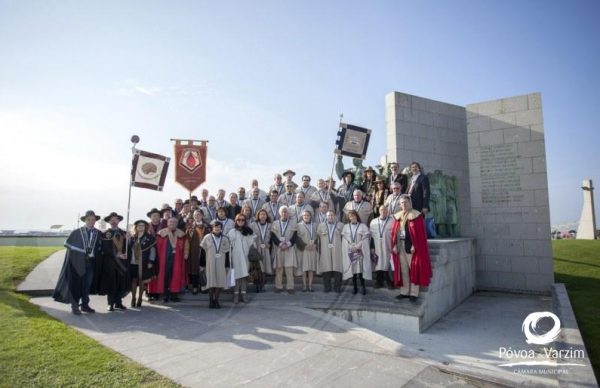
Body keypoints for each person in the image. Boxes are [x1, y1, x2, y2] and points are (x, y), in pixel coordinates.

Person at [54, 210, 103, 315]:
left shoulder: (98, 233)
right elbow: (69, 246)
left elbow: (105, 245)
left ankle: (85, 305)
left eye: (93, 220)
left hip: (91, 263)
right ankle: (75, 306)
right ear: (85, 220)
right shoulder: (77, 232)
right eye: (89, 219)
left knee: (87, 285)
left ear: (95, 221)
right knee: (76, 285)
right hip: (78, 263)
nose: (91, 221)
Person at [391, 194, 433, 302]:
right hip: (401, 246)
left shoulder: (416, 215)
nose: (403, 205)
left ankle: (414, 293)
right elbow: (395, 233)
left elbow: (419, 234)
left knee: (414, 270)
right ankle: (404, 292)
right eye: (401, 203)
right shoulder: (398, 216)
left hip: (411, 248)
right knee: (403, 270)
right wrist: (395, 244)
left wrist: (415, 245)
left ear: (410, 203)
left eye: (405, 202)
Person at [148, 217, 189, 303]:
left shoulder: (181, 233)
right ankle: (165, 295)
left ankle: (174, 295)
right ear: (167, 223)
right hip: (164, 259)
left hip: (177, 258)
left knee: (176, 275)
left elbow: (186, 245)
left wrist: (186, 253)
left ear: (177, 224)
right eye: (170, 222)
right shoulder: (161, 233)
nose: (172, 223)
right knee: (165, 276)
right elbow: (157, 247)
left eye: (174, 222)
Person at [97, 212, 128, 312]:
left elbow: (128, 247)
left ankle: (118, 302)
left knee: (120, 282)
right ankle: (110, 304)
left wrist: (130, 240)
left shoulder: (124, 233)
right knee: (111, 283)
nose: (114, 221)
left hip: (122, 263)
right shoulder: (106, 234)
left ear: (119, 221)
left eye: (116, 219)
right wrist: (117, 255)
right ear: (109, 222)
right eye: (112, 220)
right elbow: (105, 248)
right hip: (110, 262)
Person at [200, 220, 231, 309]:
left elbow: (228, 253)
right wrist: (202, 264)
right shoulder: (207, 237)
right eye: (215, 227)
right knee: (211, 283)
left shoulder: (225, 238)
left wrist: (227, 265)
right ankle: (211, 301)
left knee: (219, 282)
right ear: (212, 228)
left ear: (221, 229)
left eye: (219, 227)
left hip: (221, 263)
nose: (217, 228)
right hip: (210, 263)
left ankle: (216, 300)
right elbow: (202, 251)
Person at [127, 220, 157, 307]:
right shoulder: (132, 237)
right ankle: (133, 298)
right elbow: (128, 249)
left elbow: (153, 251)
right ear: (136, 227)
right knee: (133, 280)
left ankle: (140, 298)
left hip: (144, 263)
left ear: (145, 227)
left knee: (142, 281)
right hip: (133, 262)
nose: (141, 227)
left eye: (143, 225)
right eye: (139, 225)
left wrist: (151, 261)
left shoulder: (149, 238)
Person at [228, 214, 256, 304]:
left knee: (244, 276)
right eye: (239, 220)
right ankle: (236, 295)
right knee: (236, 276)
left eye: (242, 220)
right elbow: (229, 246)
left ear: (245, 221)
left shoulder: (249, 231)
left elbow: (252, 244)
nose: (240, 221)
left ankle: (244, 294)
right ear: (236, 221)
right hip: (235, 256)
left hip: (245, 256)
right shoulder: (232, 232)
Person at [341, 210, 372, 295]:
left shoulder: (362, 226)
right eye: (350, 216)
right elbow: (345, 239)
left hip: (360, 250)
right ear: (349, 218)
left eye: (353, 216)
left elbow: (366, 237)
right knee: (353, 270)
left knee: (361, 270)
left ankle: (363, 287)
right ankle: (355, 287)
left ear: (357, 216)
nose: (352, 217)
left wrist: (359, 245)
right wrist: (351, 247)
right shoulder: (346, 227)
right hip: (351, 251)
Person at [270, 206, 298, 294]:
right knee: (279, 268)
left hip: (289, 248)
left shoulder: (293, 224)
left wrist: (288, 244)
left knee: (289, 268)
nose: (284, 213)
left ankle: (290, 287)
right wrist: (280, 244)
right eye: (282, 212)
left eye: (286, 212)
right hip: (279, 248)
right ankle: (278, 286)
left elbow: (295, 236)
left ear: (288, 213)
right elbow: (273, 236)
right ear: (279, 213)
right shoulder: (275, 223)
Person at [317, 210, 344, 293]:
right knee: (326, 268)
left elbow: (344, 238)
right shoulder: (321, 226)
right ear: (326, 216)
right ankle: (327, 287)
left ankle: (337, 287)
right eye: (328, 215)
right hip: (325, 249)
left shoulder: (341, 225)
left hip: (337, 249)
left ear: (335, 216)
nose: (330, 217)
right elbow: (318, 239)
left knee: (337, 268)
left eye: (332, 215)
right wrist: (319, 250)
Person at [369, 206, 394, 289]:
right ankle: (378, 282)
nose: (383, 212)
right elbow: (371, 236)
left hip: (388, 246)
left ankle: (389, 281)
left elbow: (395, 235)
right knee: (378, 264)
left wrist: (395, 246)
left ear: (388, 212)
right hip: (377, 247)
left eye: (385, 210)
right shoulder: (373, 222)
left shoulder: (392, 221)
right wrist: (372, 247)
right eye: (381, 210)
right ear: (379, 211)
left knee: (387, 263)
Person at [186, 210, 207, 295]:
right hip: (194, 250)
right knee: (194, 268)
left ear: (202, 215)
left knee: (204, 268)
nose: (197, 216)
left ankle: (204, 286)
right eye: (195, 215)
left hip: (205, 250)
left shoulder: (207, 226)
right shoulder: (190, 227)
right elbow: (187, 239)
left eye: (198, 214)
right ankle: (195, 286)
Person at [296, 210, 318, 292]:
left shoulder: (315, 225)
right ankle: (304, 286)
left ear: (310, 216)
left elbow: (318, 236)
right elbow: (297, 238)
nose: (306, 217)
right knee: (304, 268)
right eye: (304, 215)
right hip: (304, 249)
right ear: (302, 216)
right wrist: (304, 246)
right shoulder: (298, 225)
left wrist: (315, 244)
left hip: (312, 249)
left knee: (311, 268)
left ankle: (310, 285)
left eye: (307, 215)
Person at [250, 209, 273, 276]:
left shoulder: (270, 225)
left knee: (266, 262)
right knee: (258, 263)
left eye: (264, 214)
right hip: (257, 246)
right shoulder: (253, 225)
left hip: (266, 246)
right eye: (261, 214)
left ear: (266, 216)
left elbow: (273, 237)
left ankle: (265, 275)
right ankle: (258, 277)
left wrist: (270, 244)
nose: (262, 216)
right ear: (258, 216)